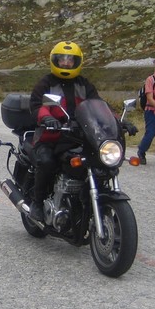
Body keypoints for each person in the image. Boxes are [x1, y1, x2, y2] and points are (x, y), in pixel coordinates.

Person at [28, 41, 100, 221]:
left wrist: (117, 121)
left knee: (99, 163)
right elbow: (37, 105)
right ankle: (37, 202)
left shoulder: (84, 84)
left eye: (70, 60)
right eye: (62, 59)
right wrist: (47, 118)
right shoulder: (46, 83)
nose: (66, 63)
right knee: (46, 162)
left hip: (77, 136)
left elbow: (99, 105)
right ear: (55, 60)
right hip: (50, 136)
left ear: (77, 62)